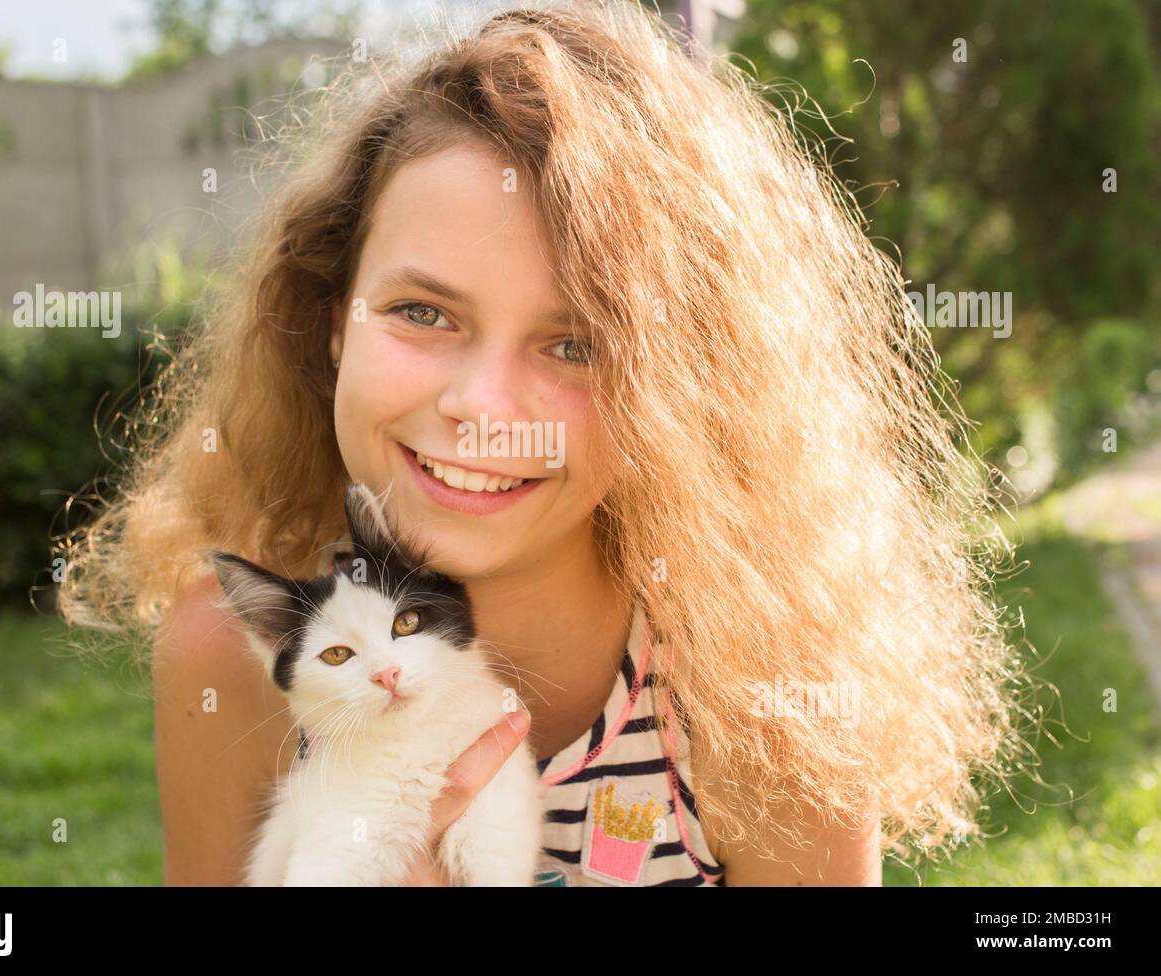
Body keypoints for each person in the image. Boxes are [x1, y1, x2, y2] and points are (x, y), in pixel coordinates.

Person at [57, 0, 1032, 886]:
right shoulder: (236, 656)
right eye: (422, 312)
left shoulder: (766, 687)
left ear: (679, 382)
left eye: (575, 343)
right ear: (329, 321)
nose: (484, 406)